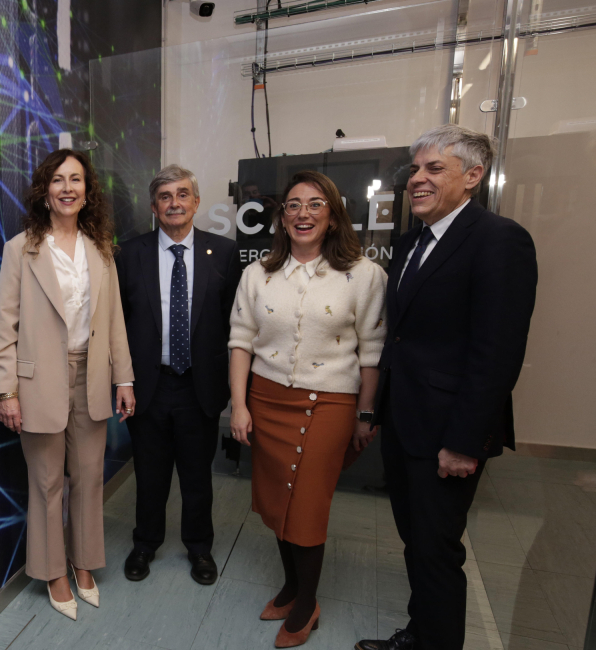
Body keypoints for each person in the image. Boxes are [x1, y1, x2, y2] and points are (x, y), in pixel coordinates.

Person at [356, 125, 537, 650]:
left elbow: (497, 354)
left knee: (436, 551)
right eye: (415, 169)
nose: (418, 179)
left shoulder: (500, 239)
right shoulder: (412, 240)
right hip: (407, 422)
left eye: (434, 169)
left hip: (447, 433)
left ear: (473, 176)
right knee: (418, 543)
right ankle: (421, 633)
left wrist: (464, 440)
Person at [229, 170, 388, 647]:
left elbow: (372, 352)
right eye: (294, 205)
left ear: (334, 216)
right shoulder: (258, 274)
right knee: (280, 498)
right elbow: (240, 342)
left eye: (316, 204)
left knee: (308, 502)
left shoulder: (365, 274)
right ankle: (292, 585)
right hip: (267, 399)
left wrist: (364, 415)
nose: (303, 213)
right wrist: (238, 405)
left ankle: (307, 602)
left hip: (331, 403)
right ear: (281, 218)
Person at [0, 149, 136, 621]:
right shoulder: (22, 249)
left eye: (76, 179)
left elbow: (114, 321)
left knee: (90, 477)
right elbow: (5, 326)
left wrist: (125, 378)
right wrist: (6, 390)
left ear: (87, 190)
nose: (68, 188)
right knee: (48, 482)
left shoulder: (101, 248)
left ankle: (85, 563)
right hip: (38, 384)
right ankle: (54, 571)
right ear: (45, 190)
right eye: (59, 180)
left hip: (91, 376)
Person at [114, 165, 243, 586]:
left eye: (182, 194)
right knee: (149, 474)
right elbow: (119, 322)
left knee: (196, 476)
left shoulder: (223, 253)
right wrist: (123, 380)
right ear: (154, 207)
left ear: (196, 201)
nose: (174, 203)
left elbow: (232, 323)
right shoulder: (129, 255)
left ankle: (199, 549)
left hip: (199, 386)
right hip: (148, 385)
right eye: (165, 196)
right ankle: (145, 543)